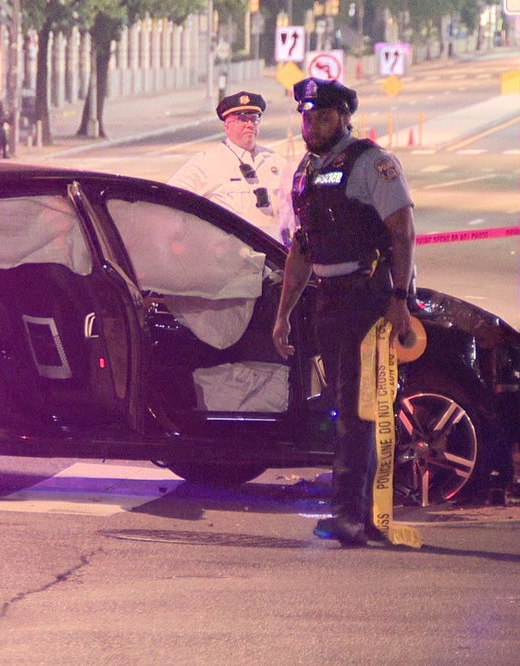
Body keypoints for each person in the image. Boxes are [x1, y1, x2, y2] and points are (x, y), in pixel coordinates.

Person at [270, 77, 416, 546]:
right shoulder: (307, 170)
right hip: (329, 299)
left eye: (323, 115)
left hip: (367, 297)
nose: (312, 124)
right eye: (307, 116)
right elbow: (302, 248)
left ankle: (350, 516)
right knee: (344, 407)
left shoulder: (372, 163)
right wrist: (283, 314)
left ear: (345, 117)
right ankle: (361, 513)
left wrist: (399, 300)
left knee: (357, 411)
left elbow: (403, 233)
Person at [168, 91, 287, 243]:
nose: (249, 124)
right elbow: (171, 201)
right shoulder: (206, 163)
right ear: (227, 126)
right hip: (227, 257)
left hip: (272, 254)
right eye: (242, 119)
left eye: (254, 119)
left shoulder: (276, 162)